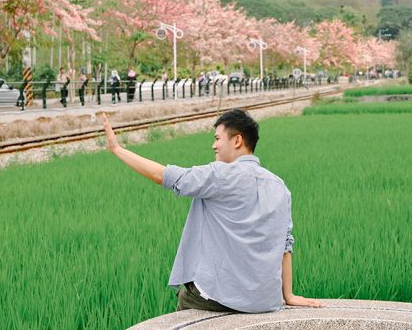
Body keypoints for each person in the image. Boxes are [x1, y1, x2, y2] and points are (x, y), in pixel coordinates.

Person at [101, 109, 325, 313]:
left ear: (237, 140)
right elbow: (285, 246)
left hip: (216, 298)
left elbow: (164, 176)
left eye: (218, 138)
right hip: (265, 301)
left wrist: (117, 149)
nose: (213, 145)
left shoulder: (221, 175)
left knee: (189, 295)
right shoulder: (280, 186)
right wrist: (288, 295)